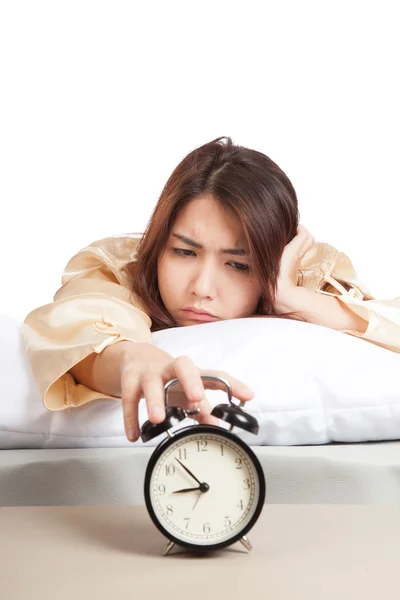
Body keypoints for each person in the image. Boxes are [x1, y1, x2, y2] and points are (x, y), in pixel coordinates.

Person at [23, 136, 400, 443]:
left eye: (239, 264)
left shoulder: (308, 276)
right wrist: (133, 358)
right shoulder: (119, 268)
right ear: (159, 242)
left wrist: (286, 294)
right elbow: (86, 323)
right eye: (185, 252)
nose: (202, 288)